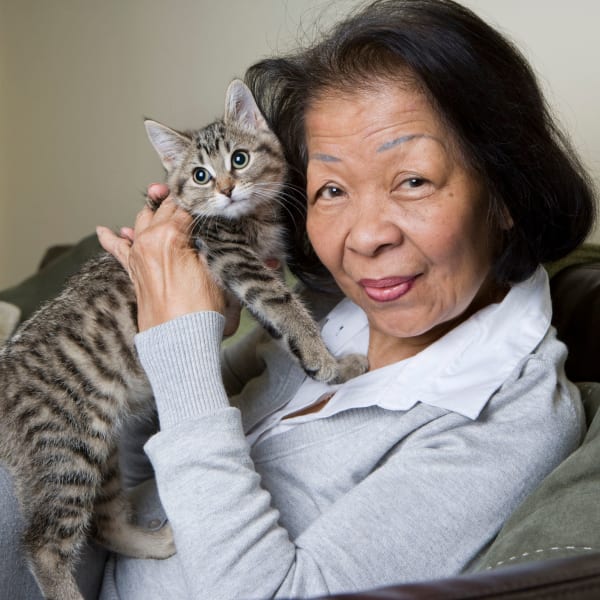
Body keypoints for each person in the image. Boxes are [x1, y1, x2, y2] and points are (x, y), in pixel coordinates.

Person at [0, 0, 596, 598]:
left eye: (412, 180)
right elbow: (139, 465)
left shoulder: (507, 418)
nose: (365, 236)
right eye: (331, 188)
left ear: (505, 193)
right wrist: (175, 325)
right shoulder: (331, 321)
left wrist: (177, 344)